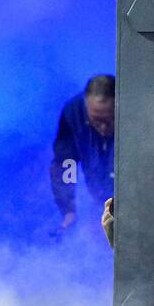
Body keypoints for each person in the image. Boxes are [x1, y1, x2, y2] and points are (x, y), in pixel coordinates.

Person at [50, 75, 115, 235]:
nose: (103, 128)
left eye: (109, 120)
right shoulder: (73, 113)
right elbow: (66, 162)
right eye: (96, 121)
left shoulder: (138, 116)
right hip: (101, 201)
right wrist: (68, 210)